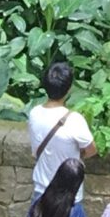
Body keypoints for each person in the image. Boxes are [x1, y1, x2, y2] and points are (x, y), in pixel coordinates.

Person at [28, 59, 97, 196]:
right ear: (69, 88)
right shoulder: (74, 120)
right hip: (69, 196)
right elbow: (92, 150)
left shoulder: (34, 113)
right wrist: (77, 154)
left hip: (41, 192)